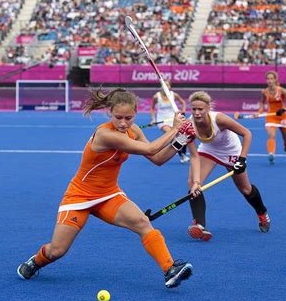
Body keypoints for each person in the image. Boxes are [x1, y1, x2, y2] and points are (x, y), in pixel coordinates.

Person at [17, 88, 198, 288]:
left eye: (128, 118)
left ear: (136, 113)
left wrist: (181, 140)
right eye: (118, 117)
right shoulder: (105, 134)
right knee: (57, 251)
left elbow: (157, 159)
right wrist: (175, 129)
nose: (123, 123)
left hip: (108, 194)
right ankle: (36, 261)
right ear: (109, 112)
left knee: (142, 222)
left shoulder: (134, 130)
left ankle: (169, 269)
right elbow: (151, 148)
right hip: (79, 197)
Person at [185, 91, 270, 242]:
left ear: (208, 108)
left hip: (231, 150)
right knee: (193, 184)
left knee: (245, 189)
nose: (197, 113)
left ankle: (262, 212)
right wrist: (197, 182)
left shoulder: (219, 119)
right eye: (194, 109)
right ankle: (200, 225)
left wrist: (242, 160)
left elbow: (247, 134)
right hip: (208, 150)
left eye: (200, 109)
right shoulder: (189, 125)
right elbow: (194, 156)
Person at [258, 70, 286, 164]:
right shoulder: (264, 92)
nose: (269, 81)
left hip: (282, 116)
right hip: (271, 116)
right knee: (271, 135)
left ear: (275, 80)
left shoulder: (281, 90)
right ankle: (271, 154)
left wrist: (284, 109)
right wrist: (260, 111)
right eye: (268, 79)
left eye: (271, 78)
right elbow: (262, 102)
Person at [150, 80, 189, 163]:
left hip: (174, 119)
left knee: (183, 136)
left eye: (167, 85)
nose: (166, 87)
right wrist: (153, 119)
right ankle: (181, 154)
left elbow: (183, 102)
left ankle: (183, 154)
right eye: (164, 85)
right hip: (162, 120)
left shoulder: (174, 95)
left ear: (170, 86)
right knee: (172, 135)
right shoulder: (156, 97)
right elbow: (152, 108)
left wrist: (183, 111)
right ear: (161, 86)